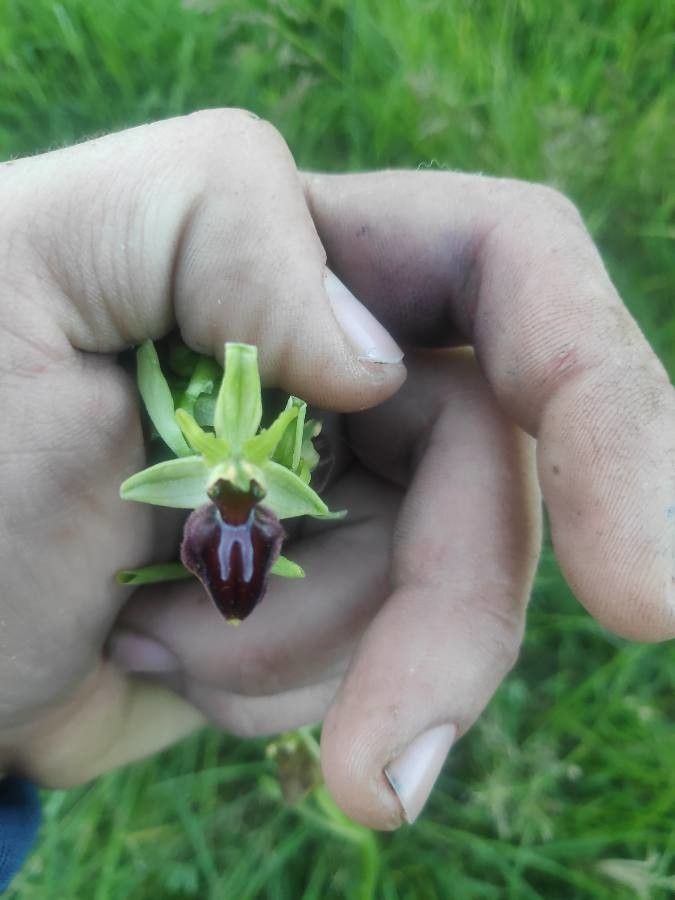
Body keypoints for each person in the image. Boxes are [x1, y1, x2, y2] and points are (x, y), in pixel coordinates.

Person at [0, 109, 673, 890]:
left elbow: (282, 496)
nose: (236, 497)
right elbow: (171, 483)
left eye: (243, 496)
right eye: (234, 497)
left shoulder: (251, 491)